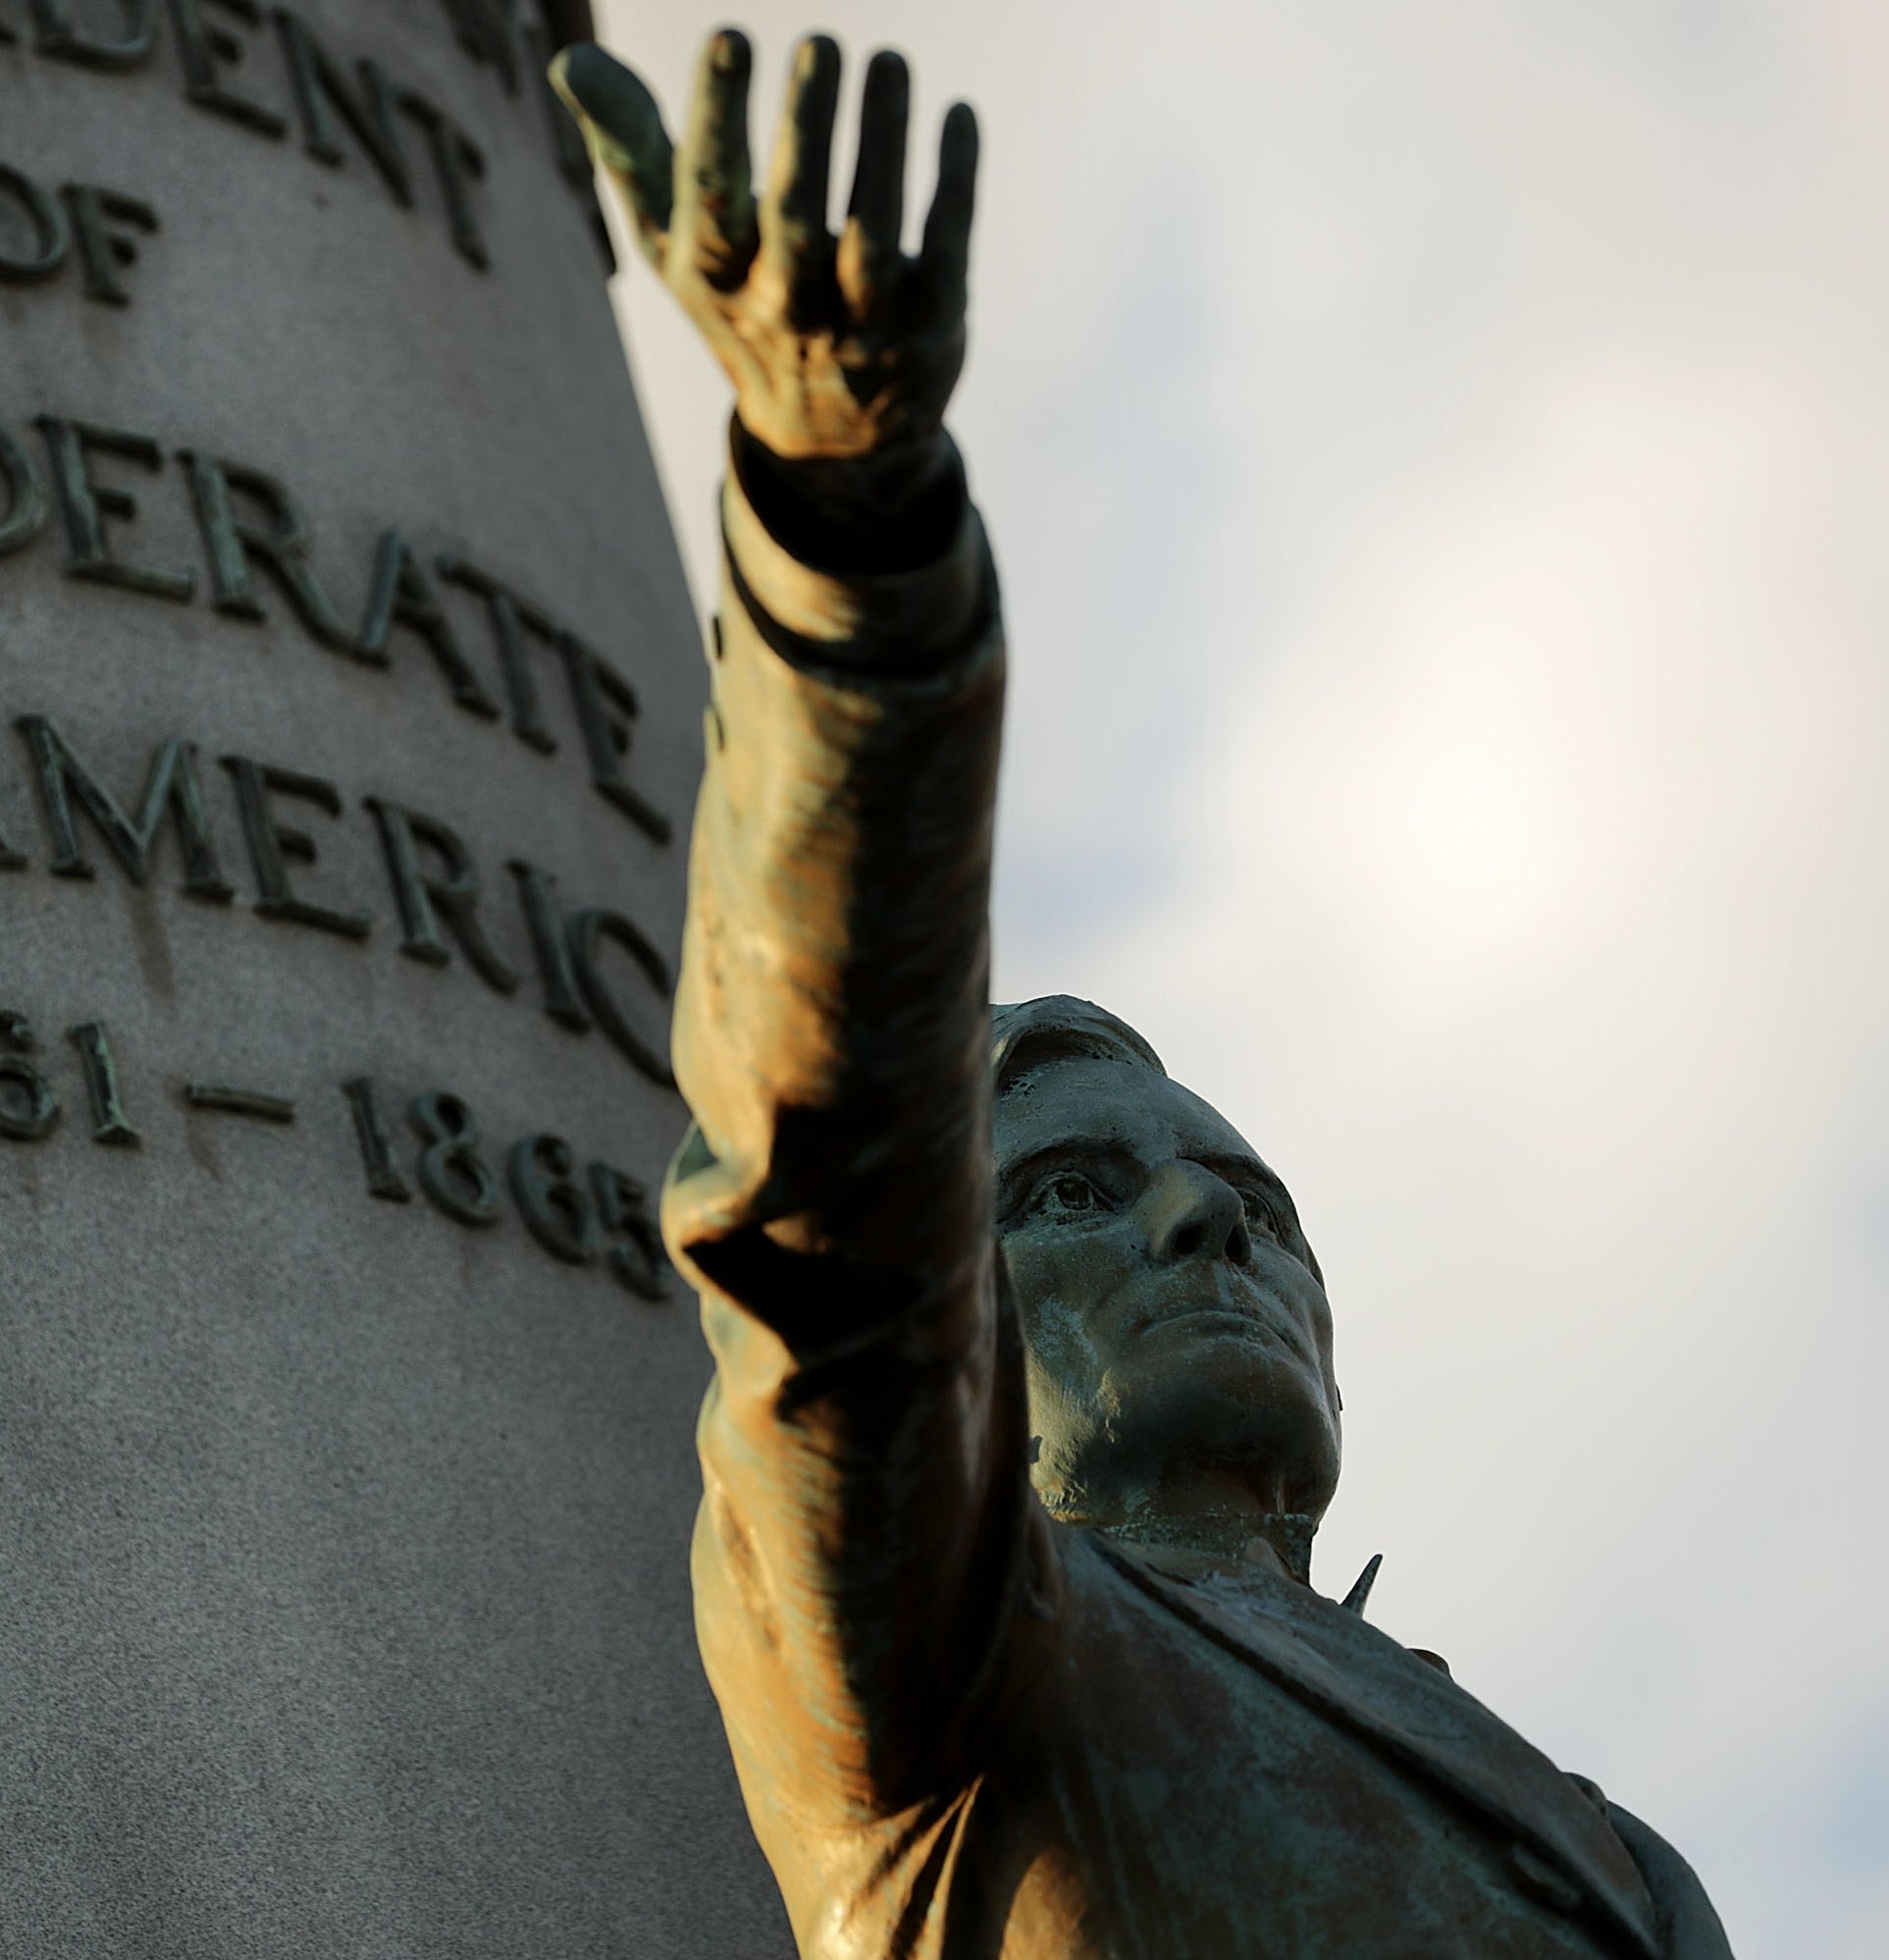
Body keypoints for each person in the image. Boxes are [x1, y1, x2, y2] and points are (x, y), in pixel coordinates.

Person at [552, 28, 1733, 1960]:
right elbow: (832, 1218)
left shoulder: (1605, 1850)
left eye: (1252, 1207)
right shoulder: (949, 1661)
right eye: (1069, 1195)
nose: (1206, 1219)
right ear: (967, 1312)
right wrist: (851, 541)